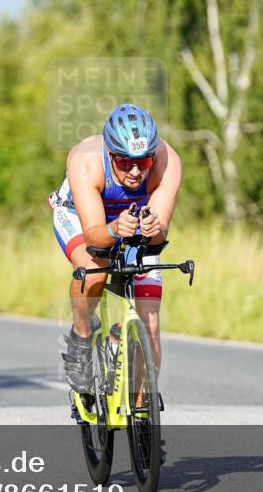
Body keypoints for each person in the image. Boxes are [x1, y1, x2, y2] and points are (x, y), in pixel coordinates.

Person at [50, 104, 182, 393]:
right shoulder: (85, 161)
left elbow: (157, 239)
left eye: (143, 162)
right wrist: (112, 229)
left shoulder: (168, 161)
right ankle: (81, 338)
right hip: (81, 217)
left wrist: (153, 230)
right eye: (124, 162)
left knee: (150, 324)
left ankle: (142, 419)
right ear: (109, 155)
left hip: (131, 219)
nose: (135, 171)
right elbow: (96, 238)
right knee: (94, 269)